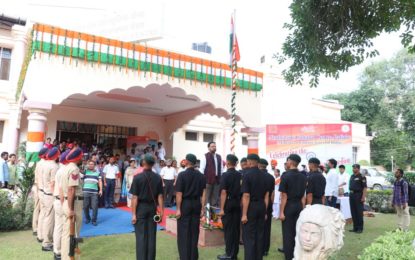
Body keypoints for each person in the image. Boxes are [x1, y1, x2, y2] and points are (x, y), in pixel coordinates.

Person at [130, 154, 164, 260]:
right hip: (152, 208)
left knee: (141, 236)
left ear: (144, 163)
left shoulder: (137, 177)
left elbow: (134, 197)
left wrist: (134, 214)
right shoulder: (158, 177)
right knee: (151, 236)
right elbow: (160, 196)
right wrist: (162, 212)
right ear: (153, 164)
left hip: (141, 208)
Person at [175, 154, 206, 260]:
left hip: (185, 204)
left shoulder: (182, 175)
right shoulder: (201, 176)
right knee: (194, 231)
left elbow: (179, 193)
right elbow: (203, 193)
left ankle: (184, 257)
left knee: (184, 232)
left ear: (187, 162)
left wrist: (178, 209)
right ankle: (193, 256)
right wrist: (202, 208)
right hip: (196, 203)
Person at [241, 154, 269, 260]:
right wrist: (265, 211)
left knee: (249, 236)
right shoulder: (265, 176)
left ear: (250, 162)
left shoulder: (247, 175)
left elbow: (246, 195)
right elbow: (267, 195)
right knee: (259, 235)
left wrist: (244, 214)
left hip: (251, 207)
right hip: (261, 205)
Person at [279, 154, 307, 260]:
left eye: (287, 161)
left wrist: (281, 212)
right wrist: (303, 208)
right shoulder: (303, 176)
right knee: (297, 231)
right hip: (299, 206)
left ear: (290, 162)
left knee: (288, 233)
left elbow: (284, 196)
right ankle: (297, 255)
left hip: (289, 206)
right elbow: (303, 196)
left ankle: (289, 257)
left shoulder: (285, 175)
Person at [60, 147, 84, 260]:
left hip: (67, 201)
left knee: (66, 233)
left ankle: (66, 257)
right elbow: (71, 190)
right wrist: (70, 208)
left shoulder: (64, 168)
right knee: (74, 233)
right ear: (79, 157)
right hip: (74, 203)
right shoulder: (74, 169)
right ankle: (71, 257)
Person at [217, 155, 241, 260]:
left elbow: (223, 192)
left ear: (227, 163)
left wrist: (222, 209)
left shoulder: (225, 175)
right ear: (235, 164)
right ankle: (234, 253)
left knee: (228, 230)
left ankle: (229, 254)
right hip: (237, 203)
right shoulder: (240, 175)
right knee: (235, 229)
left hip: (228, 203)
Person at [40, 147, 60, 251]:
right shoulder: (54, 166)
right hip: (50, 195)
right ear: (56, 155)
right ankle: (47, 243)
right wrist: (55, 196)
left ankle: (44, 238)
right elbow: (53, 183)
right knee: (49, 219)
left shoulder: (45, 164)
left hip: (44, 192)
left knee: (45, 216)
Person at [53, 149, 70, 260]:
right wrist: (64, 204)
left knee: (58, 226)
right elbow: (61, 189)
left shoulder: (60, 170)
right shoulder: (64, 171)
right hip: (61, 200)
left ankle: (57, 250)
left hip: (57, 199)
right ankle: (60, 251)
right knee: (63, 228)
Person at [258, 159, 275, 257]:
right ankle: (265, 249)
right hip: (268, 204)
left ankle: (259, 248)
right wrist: (271, 205)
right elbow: (272, 193)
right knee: (267, 227)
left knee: (258, 227)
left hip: (258, 202)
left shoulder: (257, 175)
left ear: (259, 164)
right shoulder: (271, 177)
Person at [200, 142, 223, 207]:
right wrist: (202, 180)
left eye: (215, 146)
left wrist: (220, 178)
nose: (214, 147)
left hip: (217, 181)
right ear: (208, 148)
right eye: (212, 146)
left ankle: (213, 215)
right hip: (208, 180)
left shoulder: (219, 157)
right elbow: (202, 169)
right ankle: (206, 215)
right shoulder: (205, 156)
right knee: (207, 198)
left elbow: (221, 169)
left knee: (215, 199)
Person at [32, 148, 49, 238]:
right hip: (41, 188)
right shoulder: (44, 163)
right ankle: (39, 230)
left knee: (37, 209)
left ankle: (35, 228)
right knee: (42, 210)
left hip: (38, 187)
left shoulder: (39, 163)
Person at [83, 160, 103, 226]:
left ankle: (94, 220)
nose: (91, 165)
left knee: (95, 207)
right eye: (90, 164)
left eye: (92, 164)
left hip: (94, 192)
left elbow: (100, 181)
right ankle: (88, 218)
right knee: (85, 207)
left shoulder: (98, 173)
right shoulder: (85, 172)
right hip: (85, 192)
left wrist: (101, 190)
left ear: (94, 165)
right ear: (88, 165)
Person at [348, 164, 367, 233]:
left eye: (355, 168)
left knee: (359, 212)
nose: (353, 169)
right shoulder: (352, 176)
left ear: (358, 169)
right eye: (353, 168)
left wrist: (363, 197)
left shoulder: (362, 177)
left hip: (358, 195)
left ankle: (360, 228)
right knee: (353, 212)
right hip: (352, 194)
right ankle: (355, 227)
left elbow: (364, 188)